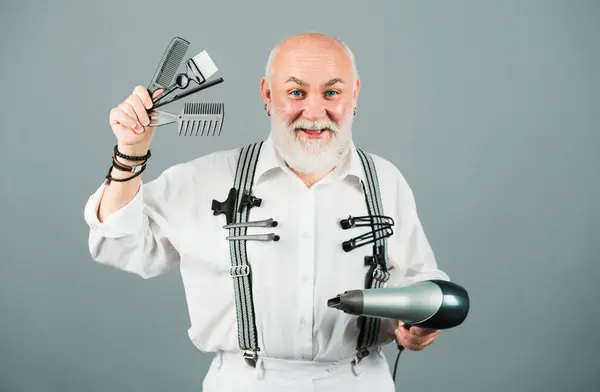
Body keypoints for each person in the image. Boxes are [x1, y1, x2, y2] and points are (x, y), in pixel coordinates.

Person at [84, 32, 450, 391]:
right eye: (296, 92)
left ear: (354, 95)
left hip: (360, 379)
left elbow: (420, 283)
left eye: (332, 93)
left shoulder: (386, 181)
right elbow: (119, 245)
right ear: (267, 94)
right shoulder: (205, 179)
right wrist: (131, 151)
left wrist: (418, 324)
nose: (314, 111)